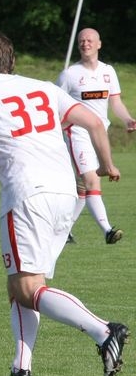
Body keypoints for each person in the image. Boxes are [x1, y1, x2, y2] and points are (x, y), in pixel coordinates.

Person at [0, 31, 129, 376]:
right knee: (22, 284)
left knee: (27, 289)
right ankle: (21, 368)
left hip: (26, 196)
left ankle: (103, 331)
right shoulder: (44, 88)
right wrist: (106, 164)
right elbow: (96, 122)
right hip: (65, 194)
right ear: (12, 60)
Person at [57, 28, 135, 245]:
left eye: (89, 40)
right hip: (77, 132)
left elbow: (115, 102)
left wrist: (128, 119)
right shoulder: (69, 74)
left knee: (83, 188)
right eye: (81, 41)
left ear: (99, 44)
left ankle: (62, 231)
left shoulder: (108, 71)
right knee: (92, 180)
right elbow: (53, 105)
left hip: (99, 134)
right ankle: (108, 230)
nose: (85, 44)